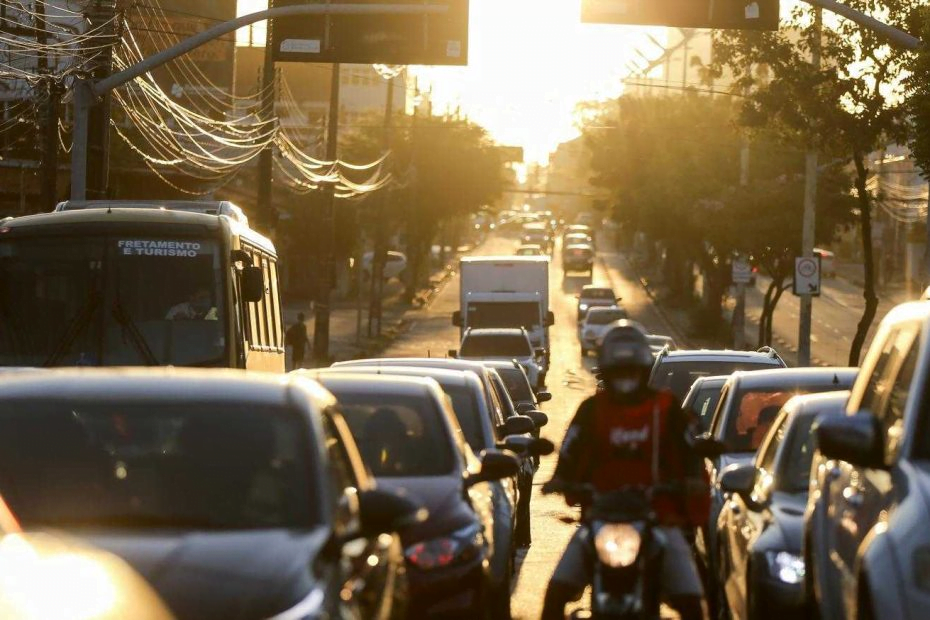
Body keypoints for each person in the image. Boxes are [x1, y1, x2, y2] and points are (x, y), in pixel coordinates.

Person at [541, 321, 710, 620]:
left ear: (645, 372)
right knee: (554, 595)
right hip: (599, 520)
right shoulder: (591, 410)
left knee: (693, 604)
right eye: (619, 374)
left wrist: (691, 480)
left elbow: (689, 453)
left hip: (657, 520)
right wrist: (559, 479)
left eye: (631, 373)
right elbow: (570, 448)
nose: (625, 381)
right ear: (606, 372)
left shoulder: (667, 409)